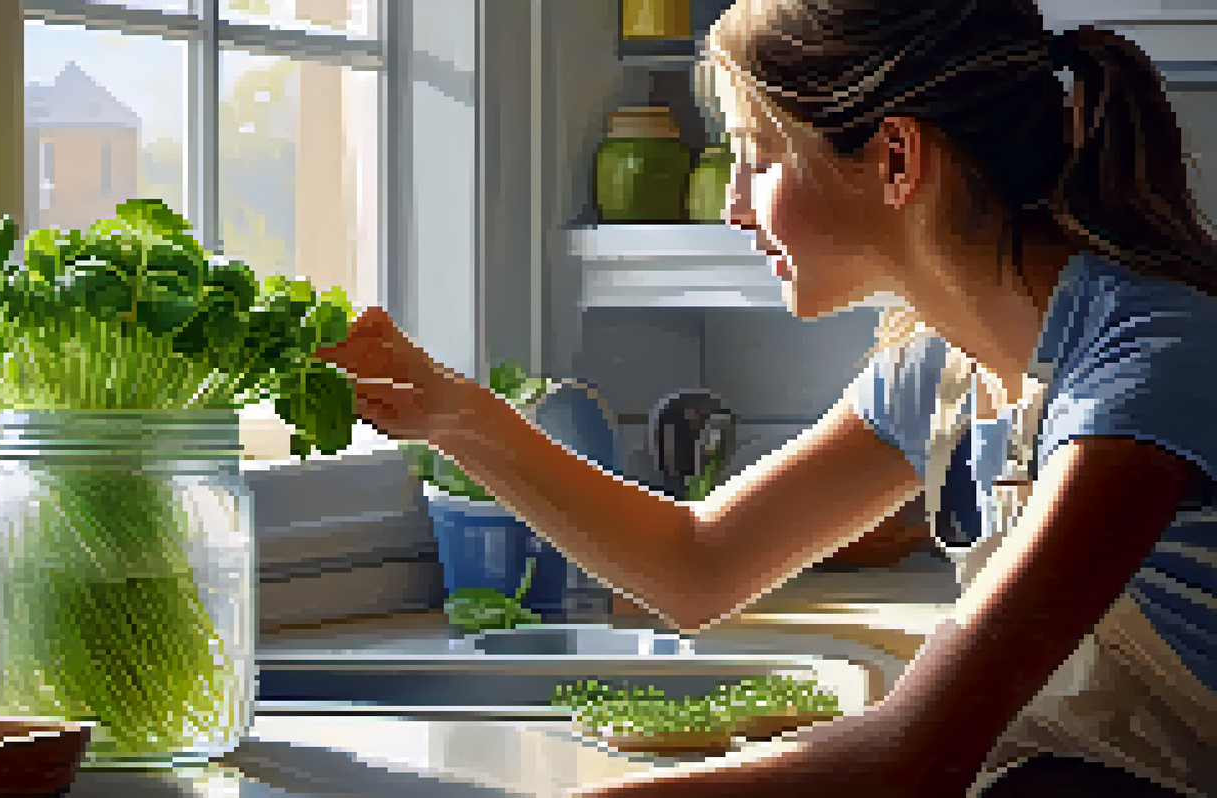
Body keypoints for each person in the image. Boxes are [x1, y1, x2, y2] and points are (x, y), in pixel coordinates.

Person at [311, 1, 1217, 796]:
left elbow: (913, 758)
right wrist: (454, 415)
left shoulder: (1142, 366)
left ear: (896, 158)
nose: (734, 206)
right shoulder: (937, 372)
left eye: (758, 158)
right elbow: (697, 565)